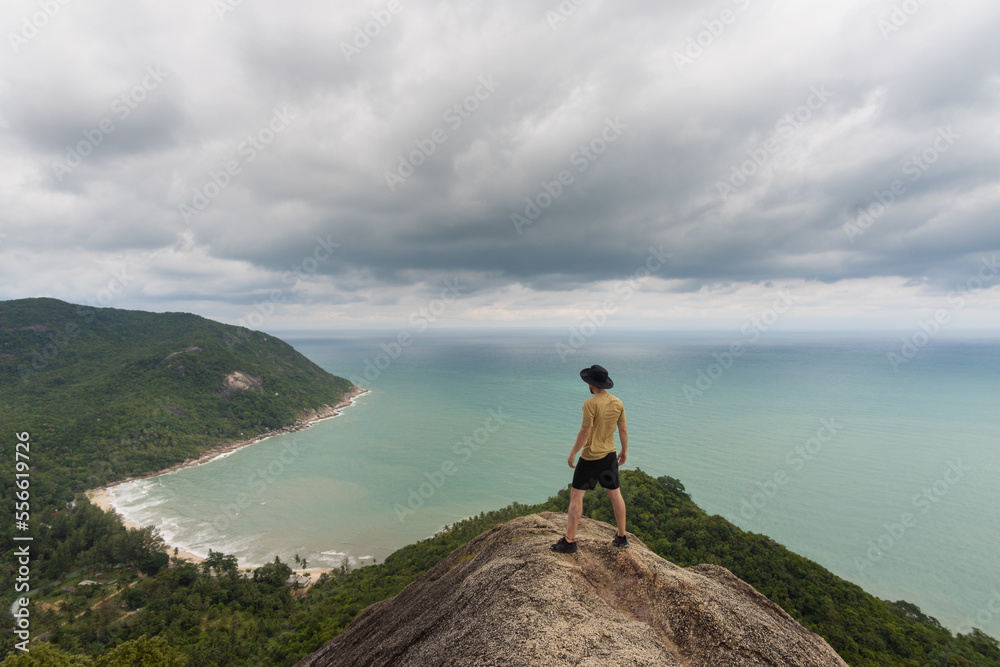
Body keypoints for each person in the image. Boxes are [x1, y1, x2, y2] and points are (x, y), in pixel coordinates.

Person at [551, 364, 628, 554]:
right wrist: (624, 450)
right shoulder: (618, 402)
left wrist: (572, 453)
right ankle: (621, 536)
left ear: (591, 384)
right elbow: (623, 429)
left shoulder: (590, 404)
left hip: (590, 458)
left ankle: (569, 542)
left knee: (576, 497)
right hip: (609, 456)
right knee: (615, 494)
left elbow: (585, 431)